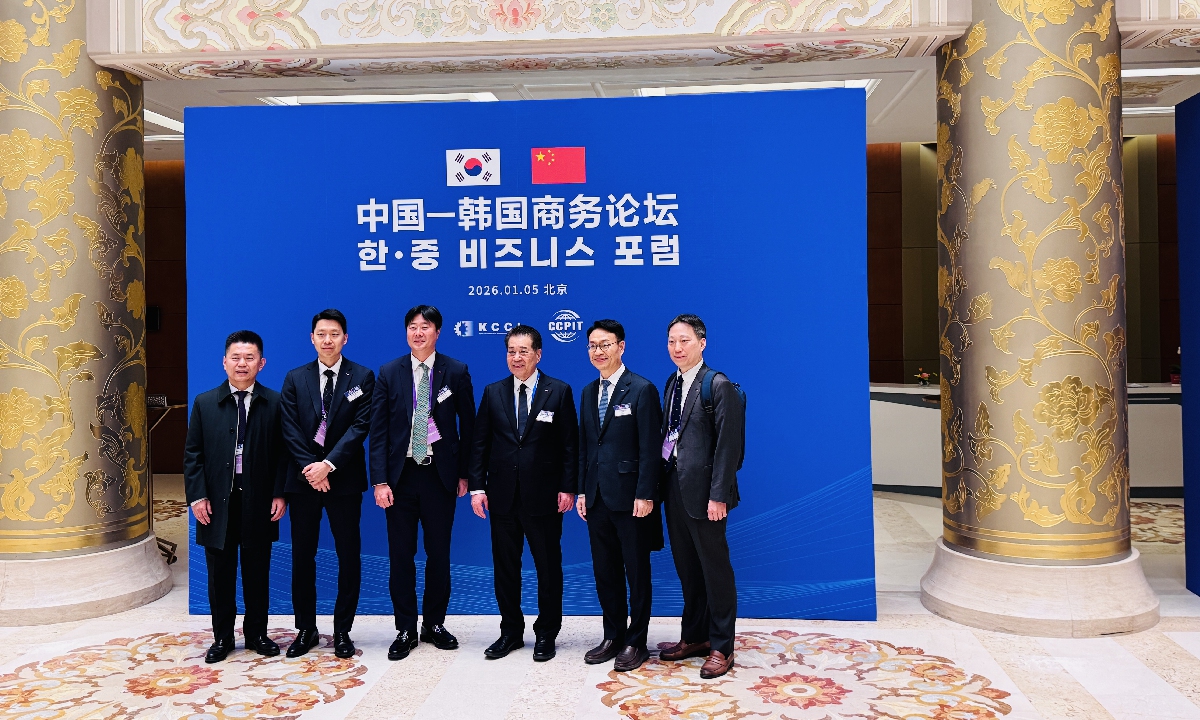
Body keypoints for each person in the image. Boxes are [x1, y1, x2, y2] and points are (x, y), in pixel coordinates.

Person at [370, 305, 476, 661]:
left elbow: (469, 428)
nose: (418, 333)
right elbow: (379, 432)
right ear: (406, 332)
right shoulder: (388, 372)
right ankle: (405, 627)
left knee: (438, 554)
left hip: (439, 476)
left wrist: (466, 474)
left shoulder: (456, 371)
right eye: (412, 327)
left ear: (438, 332)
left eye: (425, 327)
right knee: (401, 555)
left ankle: (434, 623)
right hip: (399, 478)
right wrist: (380, 481)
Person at [468, 325, 578, 662]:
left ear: (538, 354)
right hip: (501, 497)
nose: (517, 357)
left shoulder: (558, 391)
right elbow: (480, 444)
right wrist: (477, 488)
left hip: (544, 497)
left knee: (548, 567)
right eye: (511, 351)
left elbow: (570, 446)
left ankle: (547, 633)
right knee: (505, 568)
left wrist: (567, 487)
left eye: (523, 351)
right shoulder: (493, 392)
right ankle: (511, 632)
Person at [184, 330, 288, 664]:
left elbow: (284, 454)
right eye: (236, 358)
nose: (242, 364)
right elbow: (193, 455)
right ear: (224, 362)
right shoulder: (204, 403)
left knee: (258, 572)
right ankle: (223, 638)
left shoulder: (275, 403)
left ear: (262, 363)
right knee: (220, 576)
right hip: (217, 504)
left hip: (258, 502)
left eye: (249, 358)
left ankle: (257, 634)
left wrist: (279, 494)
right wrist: (198, 497)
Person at [279, 309, 375, 659]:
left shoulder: (362, 376)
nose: (328, 339)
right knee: (303, 556)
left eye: (335, 334)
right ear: (312, 338)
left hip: (344, 481)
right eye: (321, 333)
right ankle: (306, 629)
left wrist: (329, 466)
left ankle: (343, 630)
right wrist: (311, 468)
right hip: (304, 482)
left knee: (348, 555)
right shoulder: (294, 378)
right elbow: (289, 428)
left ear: (344, 338)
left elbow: (360, 427)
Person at [657, 314, 743, 679]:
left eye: (685, 341)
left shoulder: (716, 385)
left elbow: (729, 447)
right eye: (672, 341)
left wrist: (718, 495)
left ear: (702, 343)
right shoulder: (672, 383)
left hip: (707, 495)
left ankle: (722, 646)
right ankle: (694, 637)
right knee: (688, 569)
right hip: (674, 490)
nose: (677, 348)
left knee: (715, 570)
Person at [576, 319, 663, 672]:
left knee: (636, 571)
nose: (599, 351)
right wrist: (582, 490)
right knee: (605, 571)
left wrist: (645, 493)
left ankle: (636, 640)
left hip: (631, 499)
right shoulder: (587, 392)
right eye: (593, 346)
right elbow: (586, 447)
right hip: (596, 497)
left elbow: (650, 447)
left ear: (621, 346)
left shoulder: (641, 389)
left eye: (605, 344)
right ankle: (612, 634)